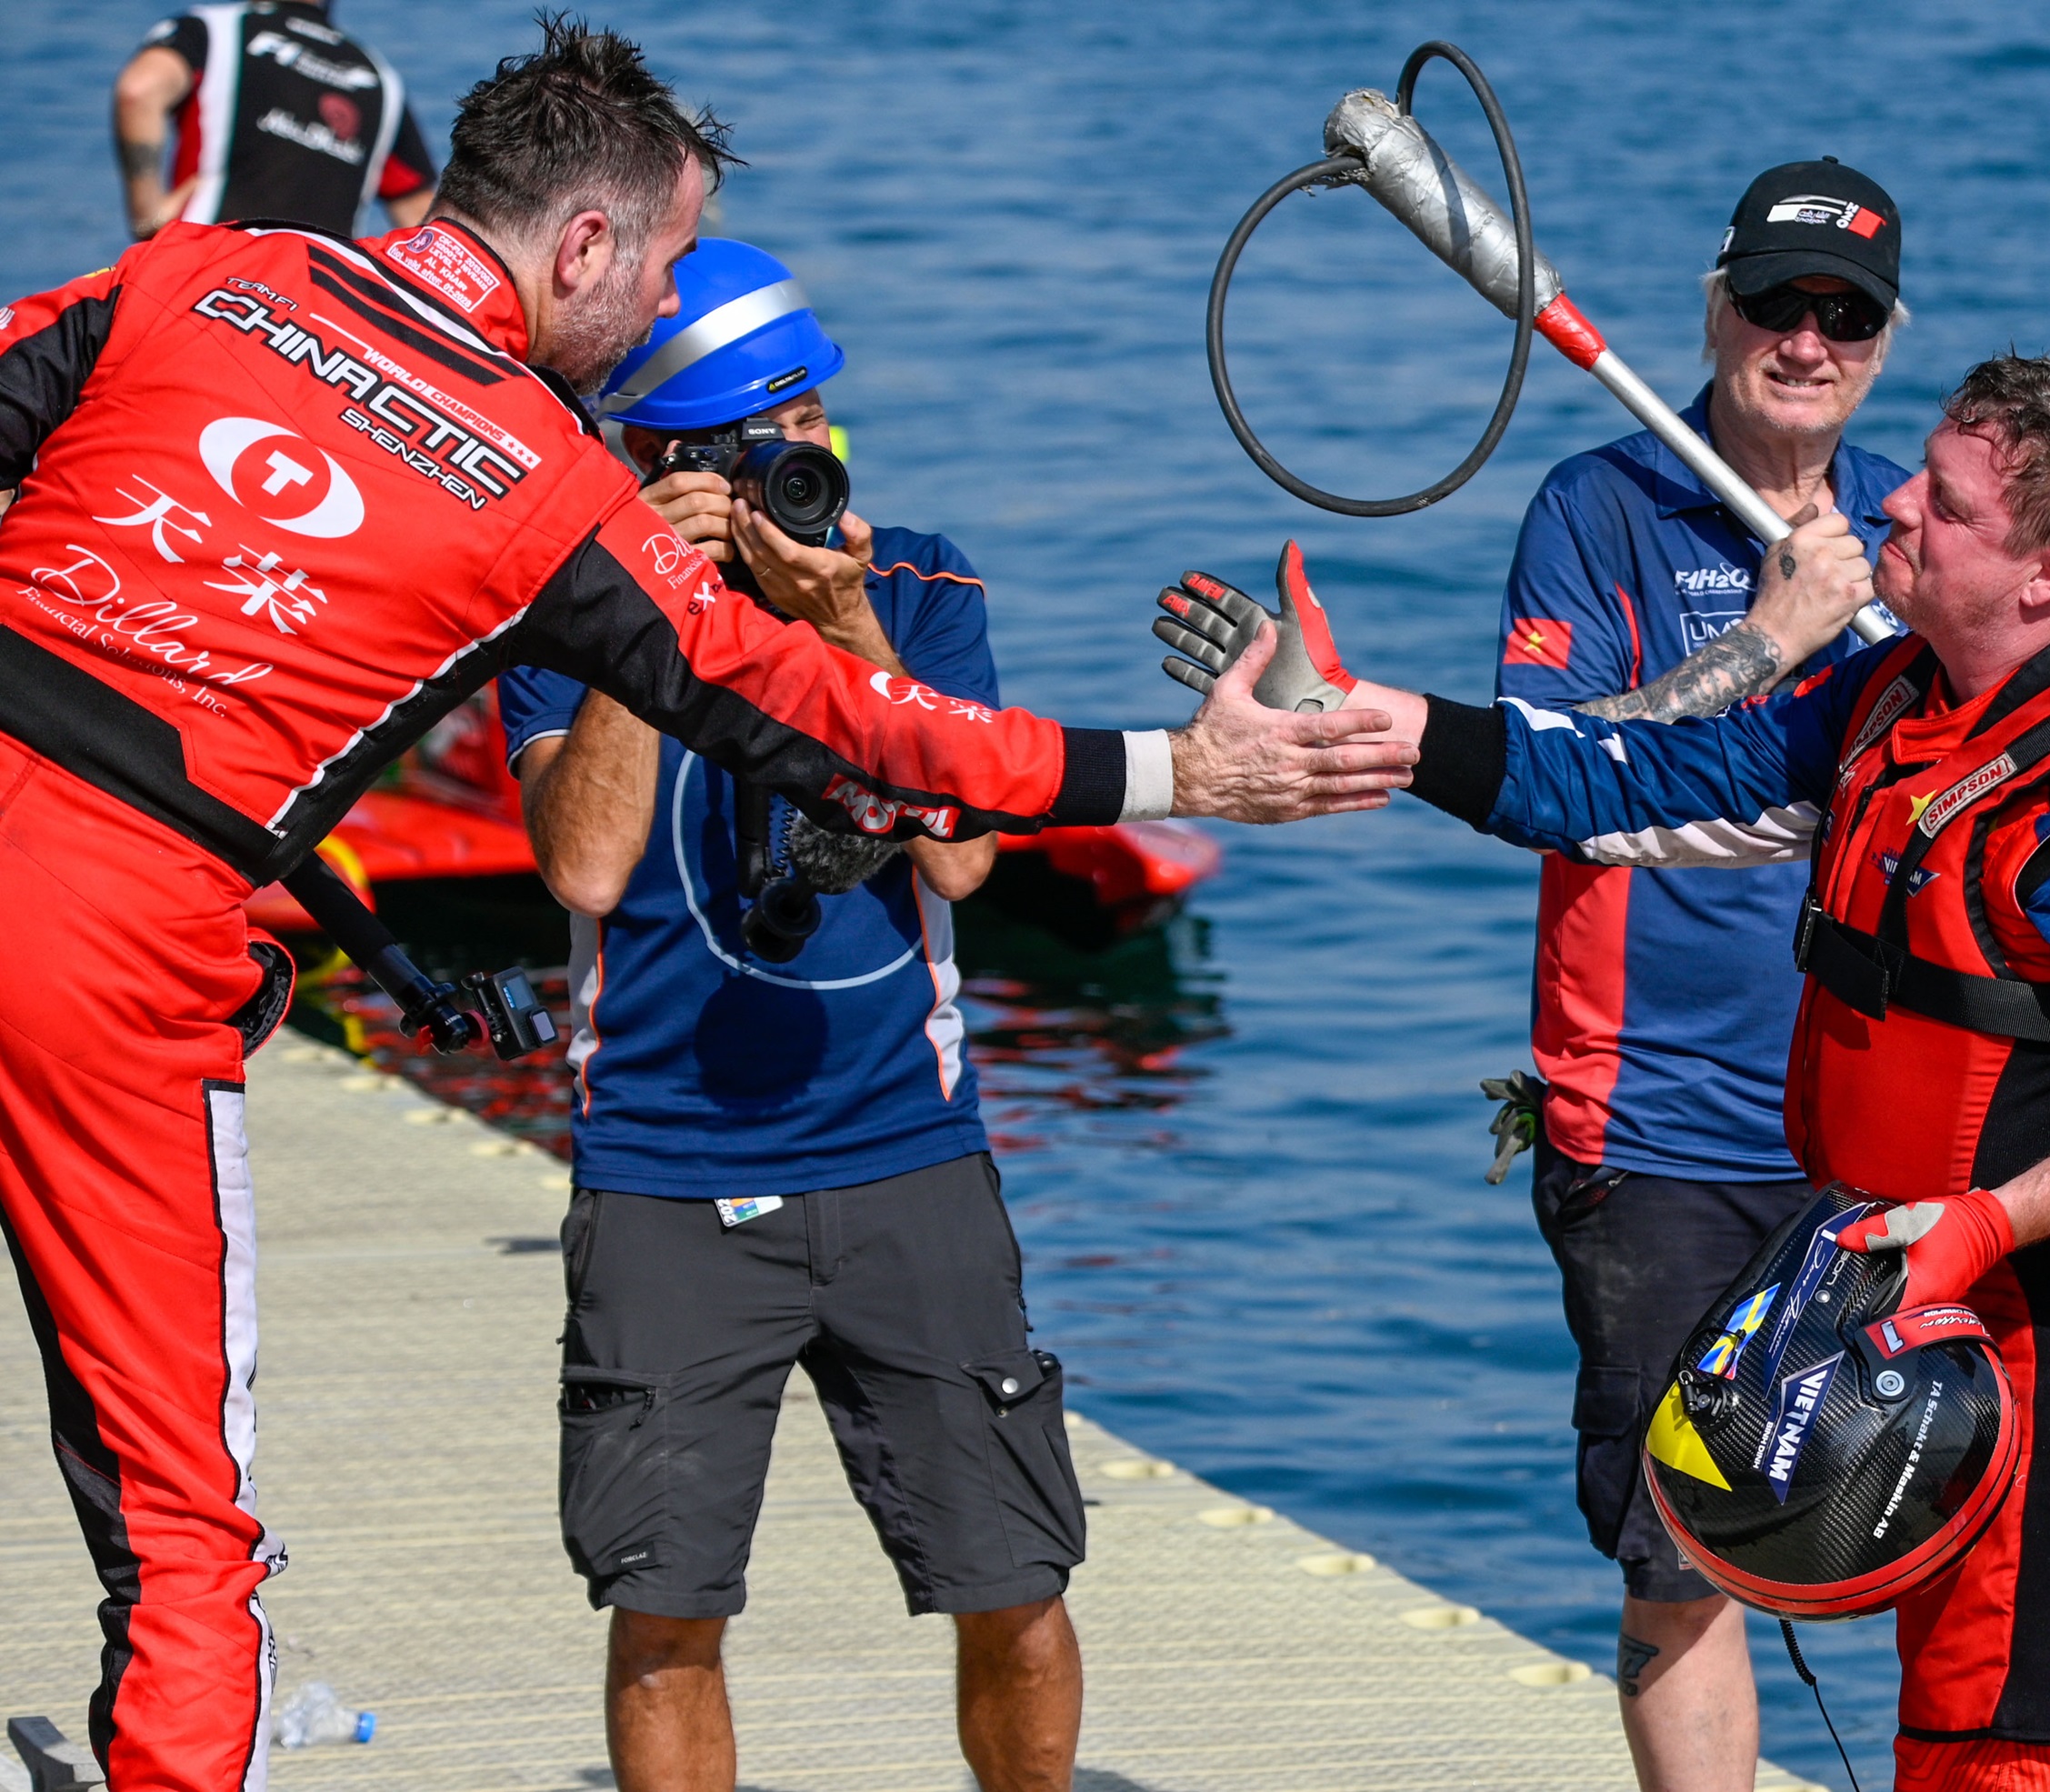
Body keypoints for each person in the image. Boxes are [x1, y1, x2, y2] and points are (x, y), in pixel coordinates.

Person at [0, 19, 1404, 1787]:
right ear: (583, 245)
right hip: (115, 965)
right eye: (664, 258)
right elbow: (840, 732)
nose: (661, 299)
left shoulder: (206, 271)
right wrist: (1187, 774)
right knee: (186, 1544)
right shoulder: (540, 485)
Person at [1160, 341, 2050, 1791]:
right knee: (1937, 1742)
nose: (1891, 509)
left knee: (2027, 1758)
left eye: (1943, 509)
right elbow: (1632, 781)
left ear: (2048, 580)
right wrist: (1365, 717)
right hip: (1904, 1331)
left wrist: (1976, 1225)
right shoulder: (1895, 691)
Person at [498, 239, 1079, 1792]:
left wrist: (839, 629)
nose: (794, 461)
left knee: (1015, 1583)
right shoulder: (564, 613)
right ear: (652, 462)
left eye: (809, 421)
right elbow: (586, 860)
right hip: (664, 1175)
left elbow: (961, 849)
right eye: (747, 443)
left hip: (907, 1154)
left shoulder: (922, 584)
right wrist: (652, 609)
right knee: (664, 1612)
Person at [1490, 156, 1909, 1792]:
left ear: (1879, 342)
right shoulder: (1598, 509)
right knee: (1681, 1567)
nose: (1803, 341)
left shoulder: (1909, 525)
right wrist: (1776, 640)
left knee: (1914, 1517)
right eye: (1775, 304)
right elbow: (1545, 773)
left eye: (1844, 315)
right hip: (1650, 1122)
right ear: (1714, 305)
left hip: (1877, 1126)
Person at [113, 0, 436, 241]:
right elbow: (422, 223)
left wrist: (146, 215)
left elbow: (138, 91)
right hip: (315, 308)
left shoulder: (212, 30)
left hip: (203, 272)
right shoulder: (380, 80)